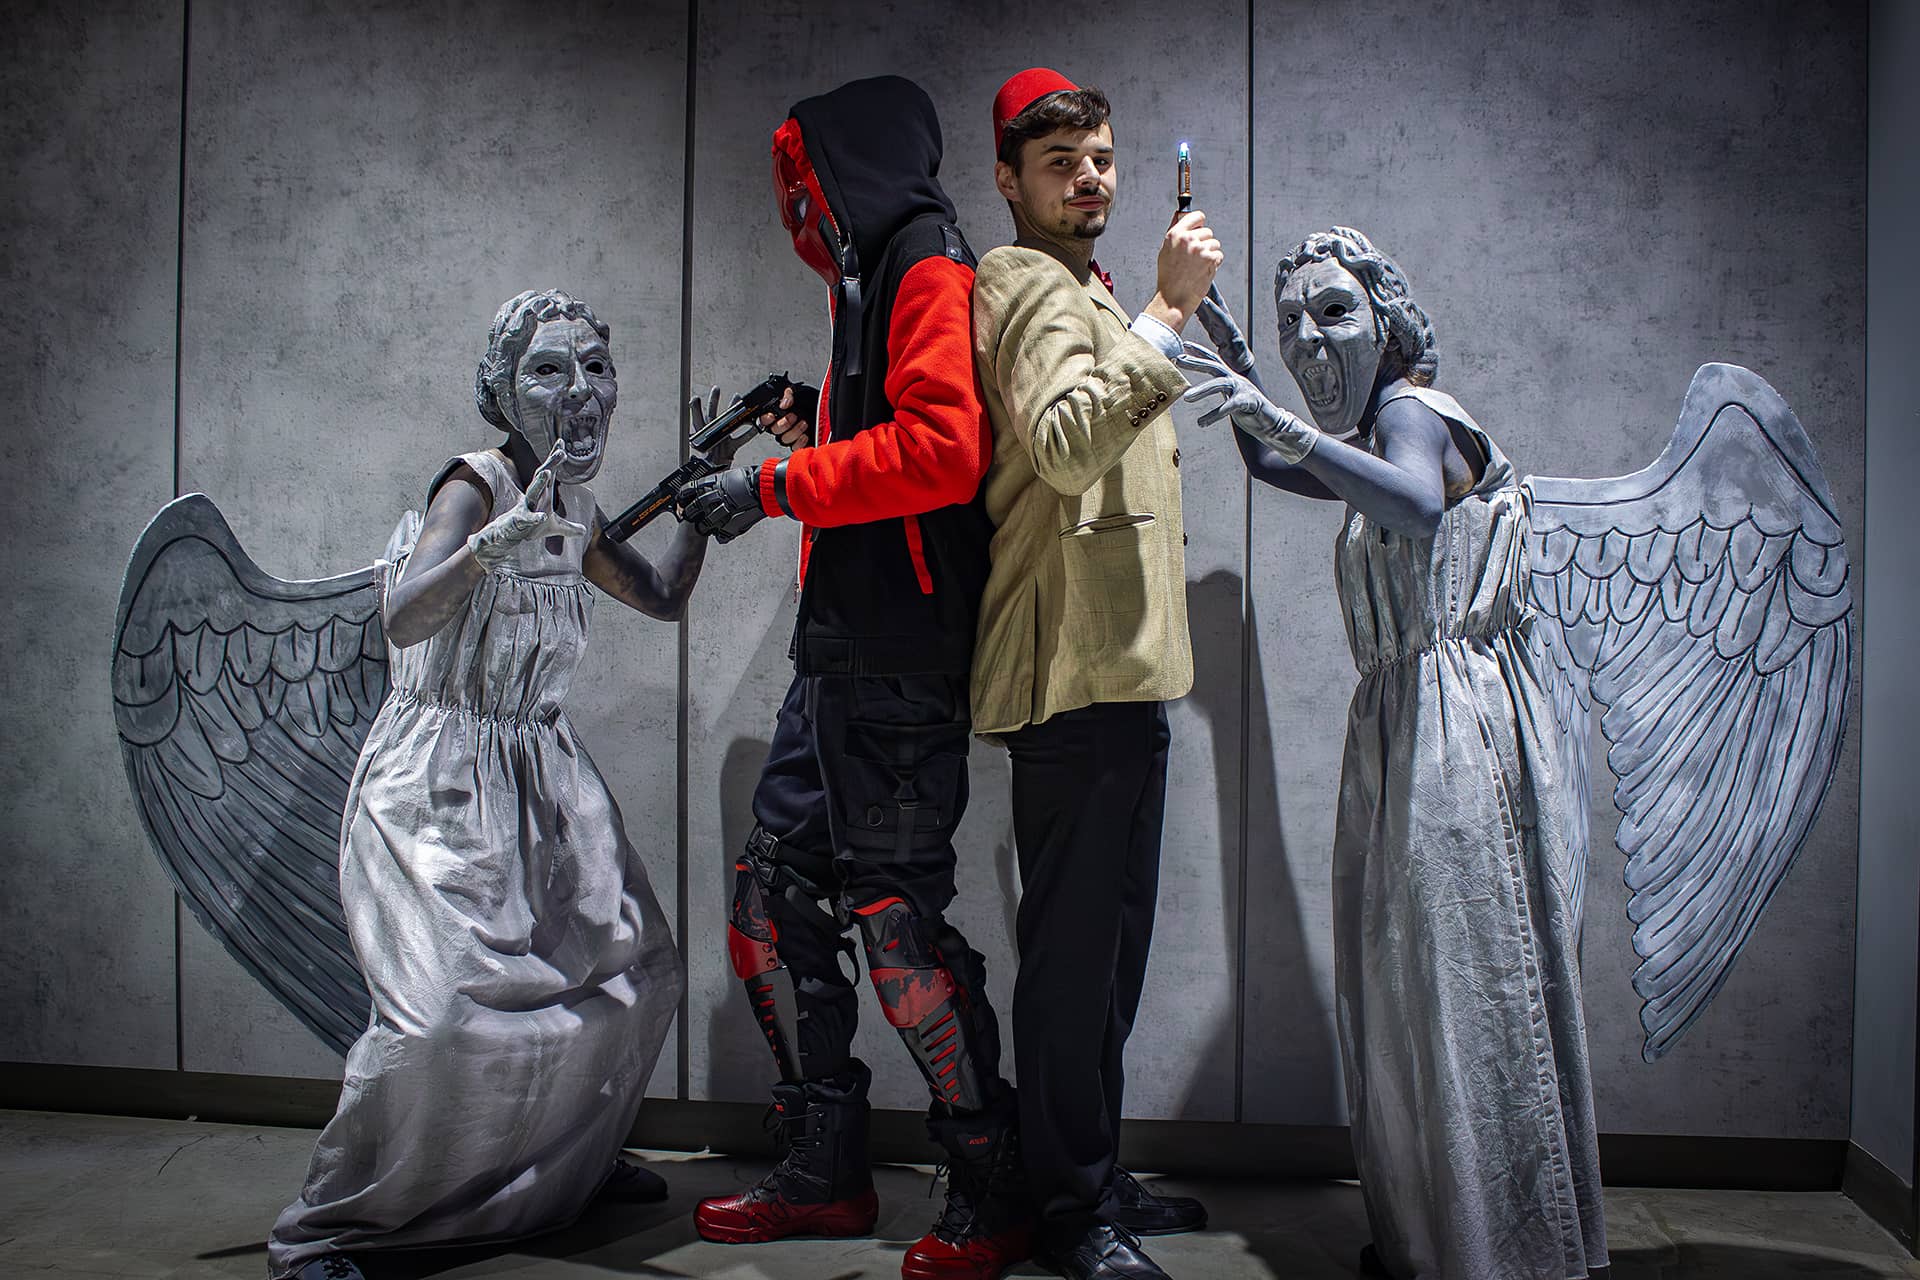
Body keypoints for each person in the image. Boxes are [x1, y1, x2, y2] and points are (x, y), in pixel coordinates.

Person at [1179, 227, 1609, 1279]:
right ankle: (1446, 1241)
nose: (1310, 341)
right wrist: (1242, 363)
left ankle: (1495, 1252)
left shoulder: (1414, 412)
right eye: (1293, 323)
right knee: (1411, 985)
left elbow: (1415, 504)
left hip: (1455, 729)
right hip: (1406, 724)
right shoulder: (1373, 434)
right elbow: (1277, 463)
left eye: (1334, 312)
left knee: (1465, 981)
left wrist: (1275, 409)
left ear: (1390, 319)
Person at [268, 290, 702, 1280]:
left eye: (596, 366)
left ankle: (570, 1159)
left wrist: (703, 510)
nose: (580, 389)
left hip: (543, 775)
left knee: (635, 978)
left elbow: (661, 597)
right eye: (549, 368)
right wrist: (491, 544)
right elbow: (405, 617)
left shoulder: (577, 505)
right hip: (437, 779)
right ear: (504, 389)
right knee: (436, 1020)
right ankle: (334, 1226)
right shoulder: (475, 483)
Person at [672, 76, 1026, 1280]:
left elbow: (941, 453)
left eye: (807, 178)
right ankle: (823, 1171)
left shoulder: (924, 262)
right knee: (773, 898)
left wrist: (771, 485)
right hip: (840, 650)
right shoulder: (874, 275)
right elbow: (890, 442)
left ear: (849, 166)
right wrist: (811, 421)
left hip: (899, 659)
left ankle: (992, 1186)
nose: (799, 205)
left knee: (896, 924)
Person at [968, 69, 1217, 1280]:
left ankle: (1090, 1169)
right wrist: (1167, 312)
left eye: (1102, 158)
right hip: (1070, 680)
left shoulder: (1085, 288)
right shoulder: (1021, 283)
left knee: (1109, 959)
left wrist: (1147, 313)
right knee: (1073, 967)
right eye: (1061, 162)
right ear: (1009, 181)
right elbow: (1068, 444)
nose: (1089, 178)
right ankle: (1069, 1211)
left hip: (1122, 674)